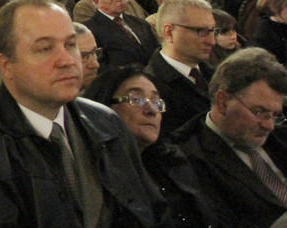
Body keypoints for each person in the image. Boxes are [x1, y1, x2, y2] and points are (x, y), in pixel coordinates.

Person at [0, 0, 164, 226]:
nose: (67, 60)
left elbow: (149, 211)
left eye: (70, 45)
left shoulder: (104, 121)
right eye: (45, 48)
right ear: (5, 64)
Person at [83, 65, 218, 226]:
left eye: (156, 102)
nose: (151, 111)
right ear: (104, 108)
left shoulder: (172, 161)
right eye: (136, 99)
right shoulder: (94, 174)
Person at [173, 48, 287, 227]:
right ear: (223, 101)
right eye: (259, 112)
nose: (269, 125)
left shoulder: (282, 137)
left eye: (275, 114)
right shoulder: (188, 160)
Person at [146, 0, 219, 139]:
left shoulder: (217, 75)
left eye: (213, 31)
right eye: (201, 31)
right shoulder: (152, 88)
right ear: (169, 33)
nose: (212, 41)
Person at [83, 0, 160, 69]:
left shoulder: (141, 23)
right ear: (96, 1)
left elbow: (157, 53)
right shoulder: (90, 30)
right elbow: (101, 67)